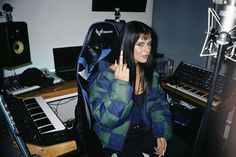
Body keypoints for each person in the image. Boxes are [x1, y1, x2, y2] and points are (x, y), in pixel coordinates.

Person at [88, 21, 189, 157]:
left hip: (144, 130)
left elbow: (159, 105)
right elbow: (107, 120)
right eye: (141, 45)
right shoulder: (104, 77)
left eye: (149, 44)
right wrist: (121, 85)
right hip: (118, 136)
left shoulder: (150, 74)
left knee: (181, 149)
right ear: (127, 45)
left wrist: (161, 133)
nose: (147, 50)